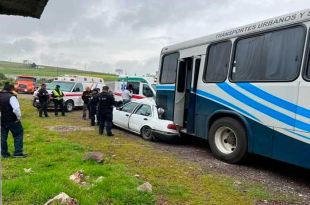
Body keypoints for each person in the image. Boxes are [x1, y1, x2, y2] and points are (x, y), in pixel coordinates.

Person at [0, 83, 27, 158]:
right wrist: (18, 117)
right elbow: (16, 109)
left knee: (3, 137)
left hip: (2, 120)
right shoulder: (11, 97)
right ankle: (18, 152)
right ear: (11, 89)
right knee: (18, 134)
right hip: (12, 120)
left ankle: (4, 153)